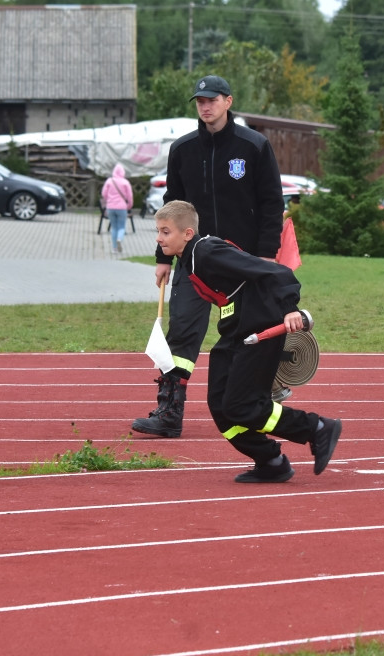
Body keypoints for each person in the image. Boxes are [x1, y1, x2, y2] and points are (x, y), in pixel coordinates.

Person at [132, 75, 285, 438]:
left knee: (251, 334)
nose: (205, 105)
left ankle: (258, 403)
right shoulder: (183, 149)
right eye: (200, 100)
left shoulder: (254, 146)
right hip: (194, 260)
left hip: (242, 261)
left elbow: (271, 204)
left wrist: (265, 257)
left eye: (212, 99)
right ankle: (169, 414)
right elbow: (171, 210)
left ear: (228, 102)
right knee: (182, 334)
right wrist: (163, 256)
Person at [154, 200, 342, 482]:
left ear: (187, 233)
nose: (159, 238)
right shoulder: (191, 258)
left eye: (166, 232)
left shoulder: (207, 251)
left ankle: (316, 428)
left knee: (243, 406)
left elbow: (278, 272)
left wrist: (290, 307)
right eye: (157, 231)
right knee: (220, 404)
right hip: (235, 330)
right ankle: (271, 461)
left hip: (260, 326)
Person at [100, 164, 134, 253]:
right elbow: (130, 196)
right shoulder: (125, 182)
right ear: (123, 172)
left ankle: (114, 248)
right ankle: (120, 238)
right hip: (122, 208)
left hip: (110, 207)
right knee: (121, 227)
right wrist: (129, 205)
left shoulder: (109, 181)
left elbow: (104, 194)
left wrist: (109, 200)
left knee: (114, 227)